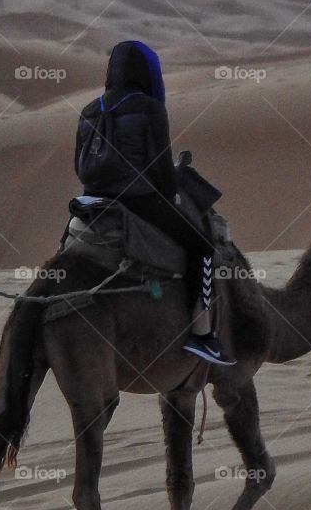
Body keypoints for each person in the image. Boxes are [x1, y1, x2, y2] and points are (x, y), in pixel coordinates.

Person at [75, 40, 234, 365]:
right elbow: (161, 171)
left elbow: (78, 164)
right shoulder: (148, 108)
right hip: (138, 200)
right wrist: (173, 180)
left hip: (90, 201)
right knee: (203, 247)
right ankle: (202, 334)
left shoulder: (90, 109)